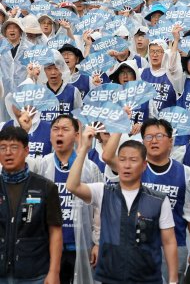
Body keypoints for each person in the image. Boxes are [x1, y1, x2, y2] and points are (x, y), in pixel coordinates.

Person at [67, 127, 179, 284]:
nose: (127, 165)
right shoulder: (103, 191)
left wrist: (173, 280)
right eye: (122, 159)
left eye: (133, 160)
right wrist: (84, 148)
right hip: (110, 277)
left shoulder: (159, 200)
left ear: (144, 165)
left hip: (147, 279)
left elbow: (169, 242)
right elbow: (72, 186)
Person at [102, 118, 190, 282]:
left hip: (174, 247)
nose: (153, 141)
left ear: (171, 141)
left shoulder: (185, 173)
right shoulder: (133, 168)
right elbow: (107, 156)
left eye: (159, 136)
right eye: (148, 137)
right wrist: (120, 123)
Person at [18, 112, 103, 284]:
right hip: (48, 245)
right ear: (50, 136)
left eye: (65, 129)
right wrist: (24, 131)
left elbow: (98, 209)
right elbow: (15, 163)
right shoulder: (41, 165)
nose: (59, 133)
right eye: (55, 129)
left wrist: (97, 242)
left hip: (80, 245)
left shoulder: (90, 168)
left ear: (77, 135)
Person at [0, 125, 63, 284]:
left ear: (26, 150)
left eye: (14, 147)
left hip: (34, 273)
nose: (8, 152)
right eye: (2, 147)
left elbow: (55, 232)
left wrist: (54, 272)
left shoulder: (45, 187)